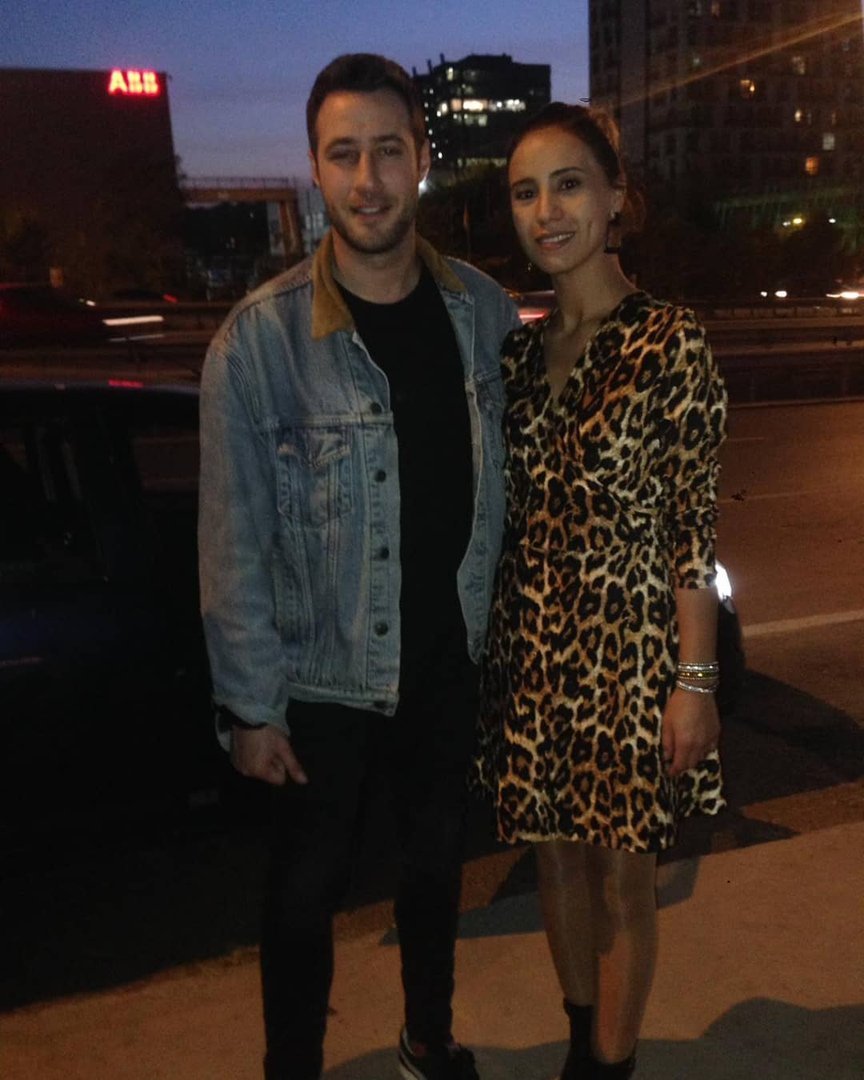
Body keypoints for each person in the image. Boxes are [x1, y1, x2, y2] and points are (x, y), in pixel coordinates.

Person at [198, 53, 520, 1080]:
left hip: (446, 663)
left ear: (422, 158)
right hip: (320, 677)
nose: (368, 179)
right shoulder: (259, 342)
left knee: (435, 869)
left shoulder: (484, 313)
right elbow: (232, 541)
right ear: (315, 168)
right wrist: (251, 708)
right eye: (345, 154)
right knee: (303, 894)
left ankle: (429, 1037)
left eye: (388, 150)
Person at [475, 103, 727, 1079]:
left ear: (617, 197)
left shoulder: (670, 341)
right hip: (531, 651)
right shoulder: (516, 355)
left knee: (624, 876)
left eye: (569, 184)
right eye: (525, 193)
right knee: (555, 860)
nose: (546, 211)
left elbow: (691, 529)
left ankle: (607, 1067)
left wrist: (694, 681)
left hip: (627, 655)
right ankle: (582, 1038)